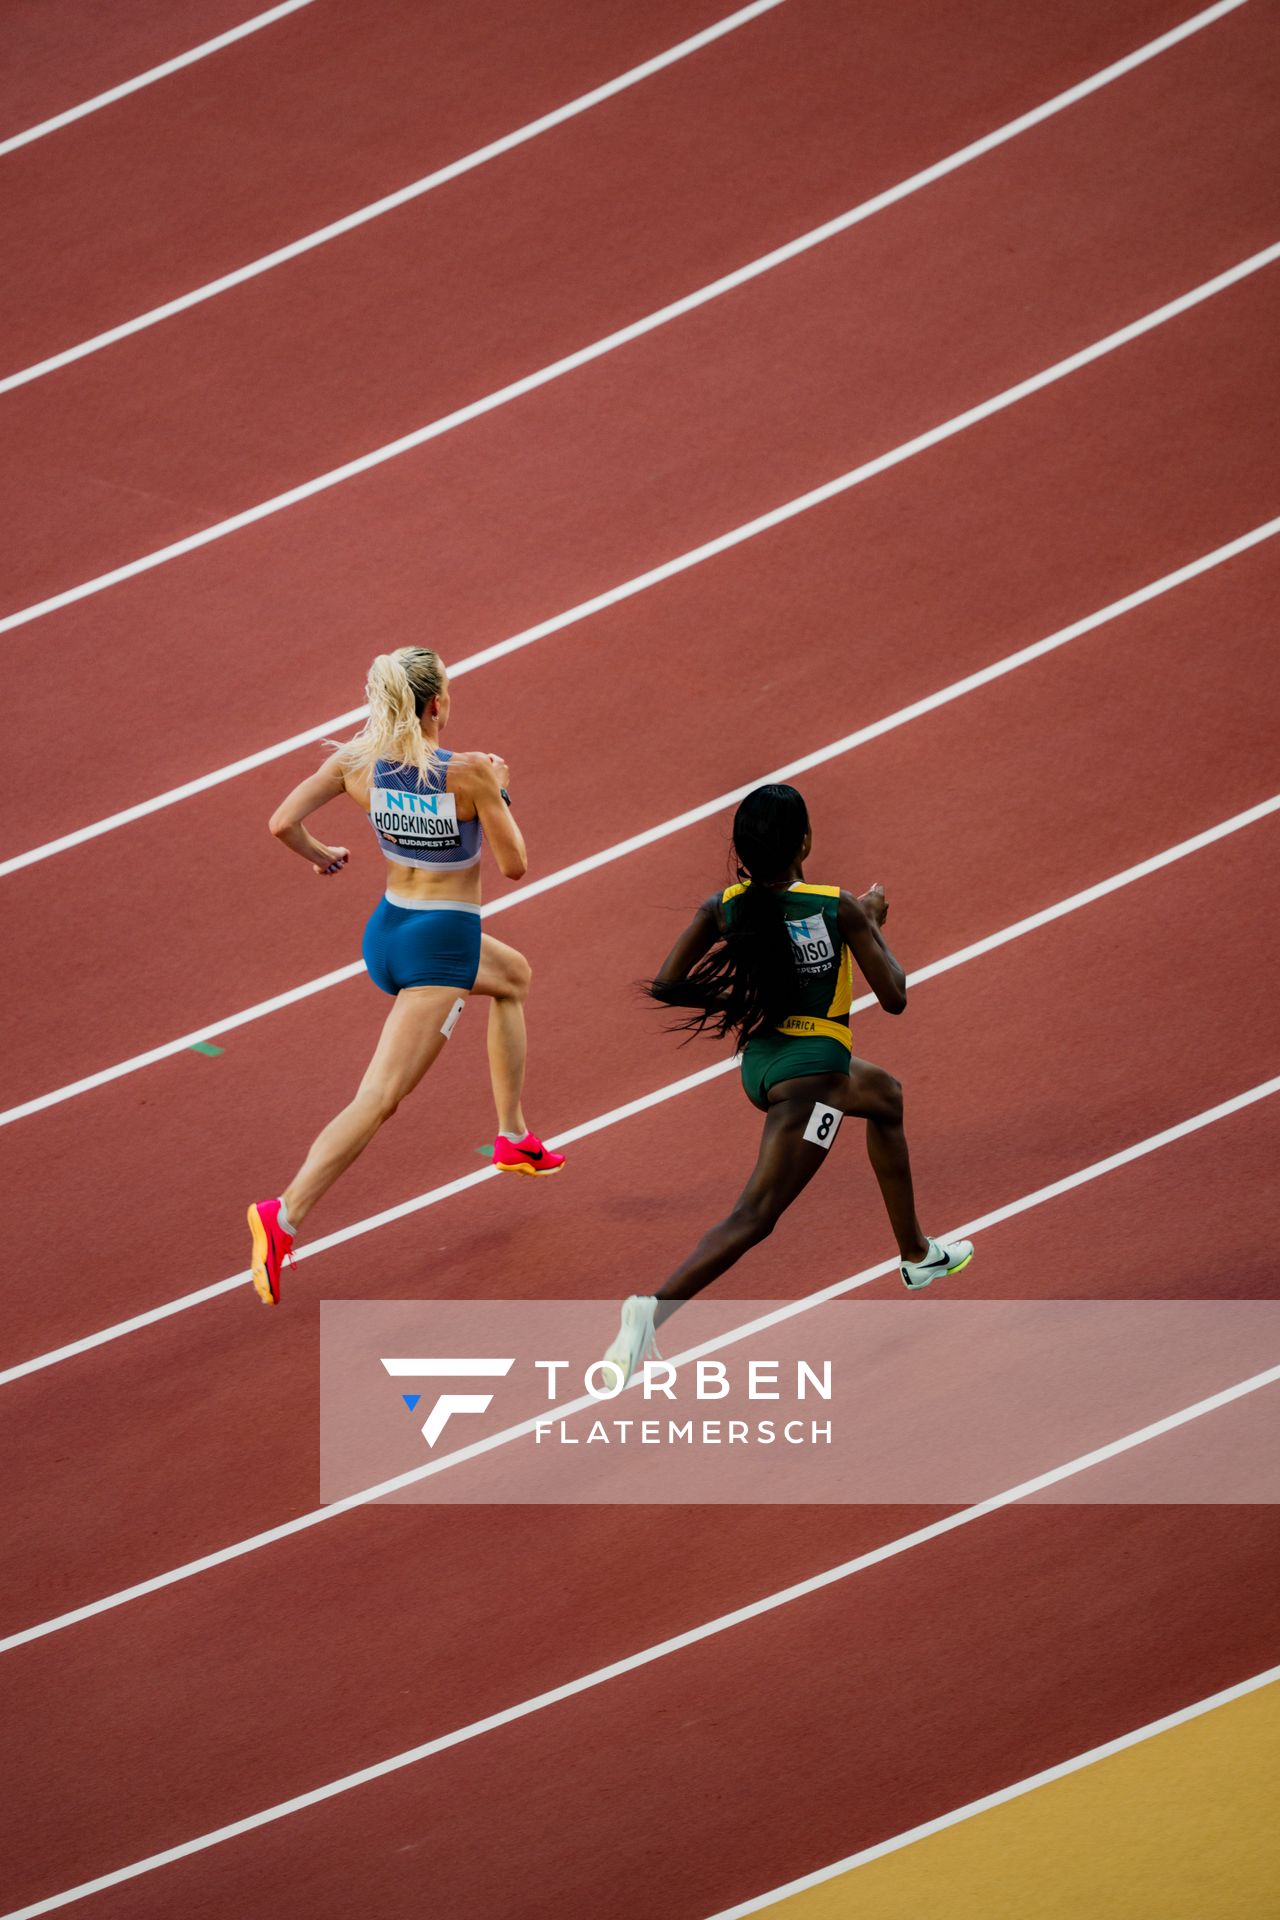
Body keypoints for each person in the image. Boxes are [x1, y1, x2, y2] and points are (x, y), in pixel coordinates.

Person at [602, 783, 970, 1383]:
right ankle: (650, 1313)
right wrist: (871, 925)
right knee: (756, 1215)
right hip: (812, 1074)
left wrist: (746, 1001)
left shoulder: (724, 905)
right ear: (805, 842)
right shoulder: (837, 905)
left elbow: (667, 984)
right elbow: (896, 996)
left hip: (767, 1062)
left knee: (885, 1097)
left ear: (743, 852)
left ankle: (917, 1254)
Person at [247, 646, 564, 1305]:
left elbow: (282, 823)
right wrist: (500, 788)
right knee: (379, 1099)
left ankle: (512, 1136)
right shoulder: (471, 773)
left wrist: (321, 854)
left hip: (388, 933)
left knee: (512, 977)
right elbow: (514, 865)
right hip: (440, 951)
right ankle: (285, 1214)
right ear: (436, 705)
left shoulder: (356, 763)